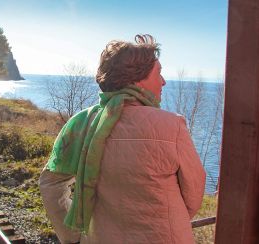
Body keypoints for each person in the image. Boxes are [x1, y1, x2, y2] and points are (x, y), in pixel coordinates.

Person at [39, 34, 206, 244]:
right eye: (159, 73)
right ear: (137, 78)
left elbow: (51, 185)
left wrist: (73, 237)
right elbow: (194, 195)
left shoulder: (80, 123)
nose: (163, 81)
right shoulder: (173, 125)